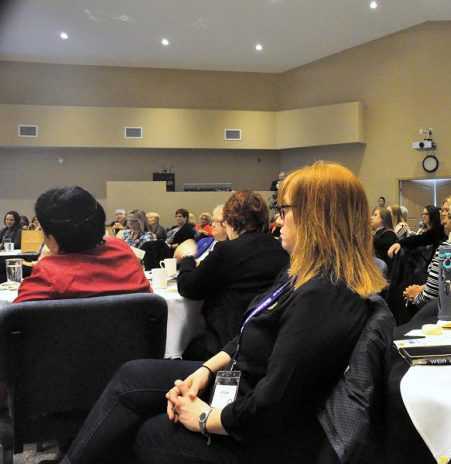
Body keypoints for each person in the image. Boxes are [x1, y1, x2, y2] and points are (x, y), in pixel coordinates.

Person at [58, 161, 387, 464]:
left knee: (151, 431)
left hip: (266, 437)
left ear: (318, 217)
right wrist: (205, 370)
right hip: (243, 385)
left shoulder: (323, 296)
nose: (278, 219)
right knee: (134, 378)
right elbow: (250, 330)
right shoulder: (300, 274)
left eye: (286, 210)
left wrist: (203, 418)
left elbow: (273, 404)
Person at [174, 191, 289, 360]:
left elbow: (188, 287)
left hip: (228, 344)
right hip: (267, 342)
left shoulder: (227, 250)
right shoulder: (281, 250)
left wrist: (187, 257)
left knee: (187, 349)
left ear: (231, 222)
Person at [13, 187, 150, 303]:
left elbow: (16, 323)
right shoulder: (122, 250)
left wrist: (44, 262)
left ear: (52, 240)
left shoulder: (48, 275)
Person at [371, 206, 398, 271]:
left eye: (375, 215)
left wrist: (368, 235)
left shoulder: (389, 233)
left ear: (383, 219)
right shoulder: (376, 232)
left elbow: (383, 245)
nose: (371, 217)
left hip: (384, 269)